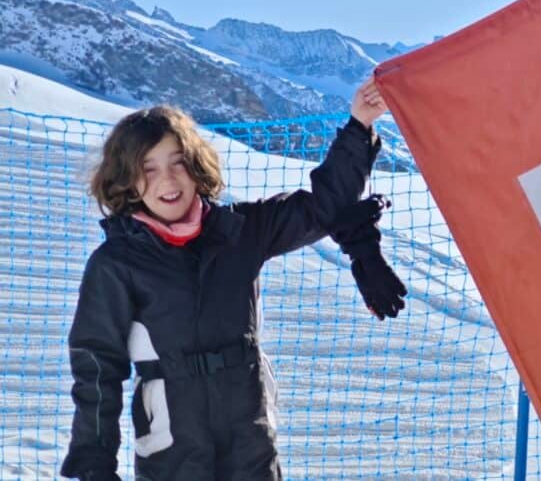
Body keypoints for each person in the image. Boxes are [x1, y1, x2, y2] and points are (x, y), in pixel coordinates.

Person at [60, 78, 388, 481]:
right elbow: (96, 366)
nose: (168, 179)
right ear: (128, 181)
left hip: (249, 439)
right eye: (148, 168)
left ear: (196, 165)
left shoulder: (240, 231)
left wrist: (359, 126)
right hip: (173, 451)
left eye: (178, 161)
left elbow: (324, 208)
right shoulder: (117, 263)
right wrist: (94, 465)